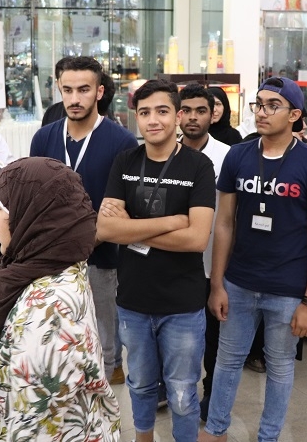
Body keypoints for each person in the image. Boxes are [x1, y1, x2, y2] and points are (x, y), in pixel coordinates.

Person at [200, 77, 307, 442]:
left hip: (288, 289)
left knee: (279, 366)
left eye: (273, 105)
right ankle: (215, 430)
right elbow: (224, 223)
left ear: (294, 115)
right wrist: (217, 283)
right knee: (227, 360)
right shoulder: (238, 155)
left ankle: (269, 436)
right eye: (258, 104)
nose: (262, 112)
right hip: (239, 282)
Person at [0, 157, 121, 440]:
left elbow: (33, 425)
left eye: (0, 209)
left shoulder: (47, 311)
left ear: (33, 218)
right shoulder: (58, 268)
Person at [97, 79, 216, 442]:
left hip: (182, 304)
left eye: (162, 111)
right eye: (145, 112)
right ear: (136, 117)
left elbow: (197, 239)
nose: (153, 120)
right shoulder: (125, 161)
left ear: (177, 116)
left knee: (181, 391)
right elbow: (105, 228)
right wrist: (172, 222)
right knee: (140, 384)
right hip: (133, 301)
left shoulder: (198, 165)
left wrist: (131, 227)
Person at [29, 55, 137, 385]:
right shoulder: (44, 138)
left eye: (84, 90)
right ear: (59, 90)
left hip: (101, 255)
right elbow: (36, 197)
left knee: (103, 332)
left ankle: (108, 374)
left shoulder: (122, 141)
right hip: (52, 256)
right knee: (58, 331)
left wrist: (88, 240)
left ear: (99, 92)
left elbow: (120, 208)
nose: (75, 98)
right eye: (68, 90)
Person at [177, 82, 230, 421]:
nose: (193, 117)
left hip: (214, 264)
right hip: (174, 264)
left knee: (214, 340)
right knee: (178, 341)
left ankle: (211, 395)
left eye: (201, 111)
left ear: (213, 114)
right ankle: (175, 392)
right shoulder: (164, 152)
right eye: (186, 110)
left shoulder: (228, 156)